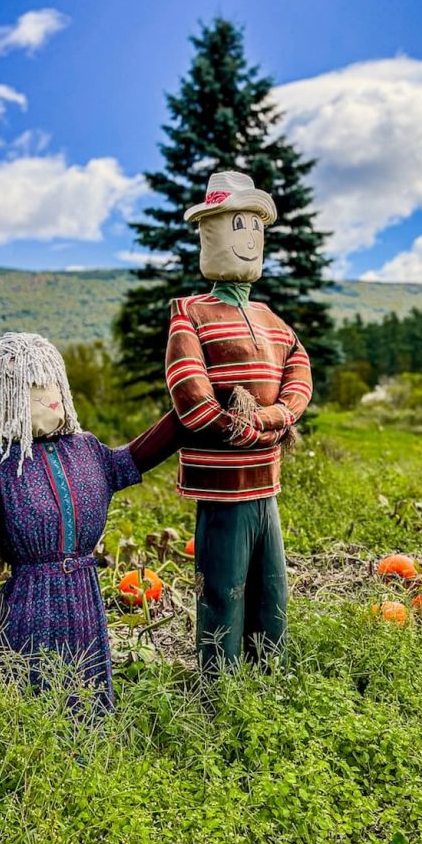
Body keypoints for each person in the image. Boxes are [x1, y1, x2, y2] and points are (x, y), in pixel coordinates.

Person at [0, 331, 179, 715]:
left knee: (73, 712)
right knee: (40, 717)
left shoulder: (85, 447)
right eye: (34, 385)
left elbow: (135, 457)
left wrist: (189, 413)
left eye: (52, 380)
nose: (49, 392)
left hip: (85, 603)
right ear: (6, 397)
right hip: (30, 614)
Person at [165, 170, 313, 676]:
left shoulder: (273, 319)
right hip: (222, 489)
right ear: (211, 234)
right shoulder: (190, 314)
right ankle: (219, 687)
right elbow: (192, 398)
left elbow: (299, 373)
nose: (249, 238)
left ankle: (268, 675)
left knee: (272, 586)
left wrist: (272, 416)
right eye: (237, 225)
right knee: (223, 587)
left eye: (255, 227)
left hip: (265, 485)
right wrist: (243, 429)